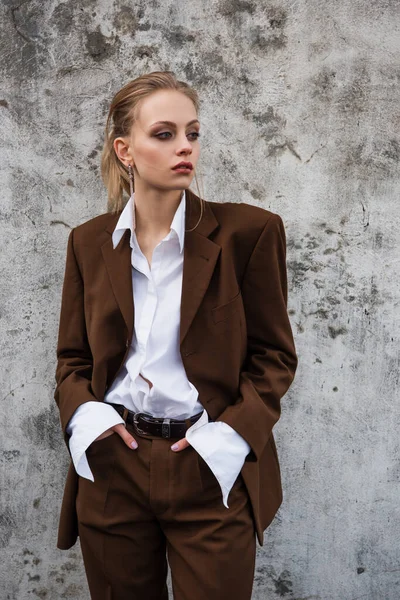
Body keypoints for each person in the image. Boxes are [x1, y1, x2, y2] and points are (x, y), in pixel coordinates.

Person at [54, 70, 298, 600]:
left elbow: (274, 357)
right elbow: (72, 358)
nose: (184, 147)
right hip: (113, 465)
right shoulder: (88, 242)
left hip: (206, 466)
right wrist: (88, 421)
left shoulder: (249, 234)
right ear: (126, 150)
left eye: (192, 133)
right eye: (164, 134)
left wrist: (227, 439)